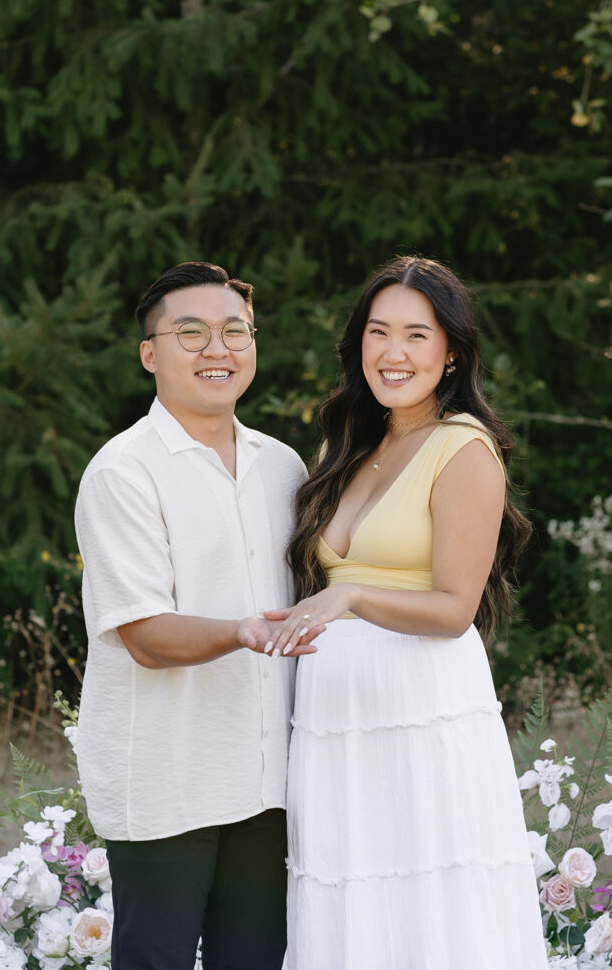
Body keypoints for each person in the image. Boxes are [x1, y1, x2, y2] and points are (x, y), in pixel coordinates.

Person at [263, 257, 548, 970]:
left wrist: (351, 596)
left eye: (416, 335)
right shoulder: (348, 446)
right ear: (357, 342)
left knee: (430, 896)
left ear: (449, 351)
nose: (393, 353)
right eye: (377, 331)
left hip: (421, 702)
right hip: (334, 713)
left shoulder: (463, 449)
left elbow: (454, 608)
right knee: (350, 896)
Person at [74, 261, 322, 970]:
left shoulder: (283, 467)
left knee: (253, 960)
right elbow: (145, 635)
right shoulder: (124, 471)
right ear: (149, 353)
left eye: (233, 331)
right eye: (191, 333)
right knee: (155, 960)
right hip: (166, 776)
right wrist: (243, 630)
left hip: (265, 780)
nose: (217, 349)